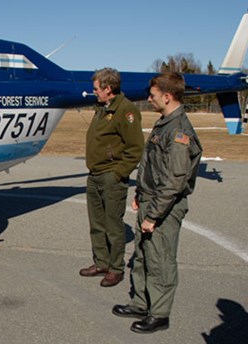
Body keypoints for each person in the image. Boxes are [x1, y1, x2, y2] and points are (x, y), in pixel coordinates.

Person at [112, 72, 203, 333]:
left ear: (167, 96)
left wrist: (154, 215)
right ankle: (141, 302)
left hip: (164, 206)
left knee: (161, 260)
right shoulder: (164, 123)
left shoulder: (178, 132)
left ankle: (160, 313)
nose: (149, 99)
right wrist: (140, 195)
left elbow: (174, 180)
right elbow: (152, 165)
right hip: (151, 200)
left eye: (152, 96)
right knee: (142, 255)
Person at [81, 67, 144, 287]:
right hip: (95, 175)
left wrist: (118, 174)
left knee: (113, 226)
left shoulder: (126, 111)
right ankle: (101, 263)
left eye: (97, 88)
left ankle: (115, 268)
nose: (94, 92)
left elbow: (135, 148)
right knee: (96, 224)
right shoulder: (102, 108)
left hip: (111, 177)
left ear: (108, 88)